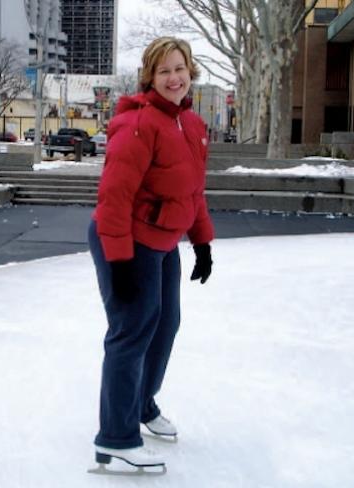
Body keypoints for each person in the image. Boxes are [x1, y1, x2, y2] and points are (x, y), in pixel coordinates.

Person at [88, 36, 215, 471]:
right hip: (127, 238)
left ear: (190, 71)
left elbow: (193, 192)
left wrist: (201, 242)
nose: (174, 78)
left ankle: (141, 404)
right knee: (131, 331)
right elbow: (114, 198)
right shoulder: (138, 124)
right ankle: (116, 437)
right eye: (164, 71)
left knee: (165, 326)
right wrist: (119, 260)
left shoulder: (192, 126)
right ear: (150, 76)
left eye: (179, 68)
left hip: (163, 241)